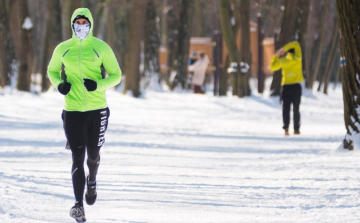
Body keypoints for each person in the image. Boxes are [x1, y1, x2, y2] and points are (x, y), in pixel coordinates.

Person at [47, 8, 121, 222]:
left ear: (90, 25)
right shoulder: (63, 49)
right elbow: (52, 71)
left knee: (93, 155)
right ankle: (78, 205)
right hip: (72, 111)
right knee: (77, 157)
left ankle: (93, 180)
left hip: (97, 110)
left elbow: (116, 75)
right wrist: (59, 85)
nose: (81, 27)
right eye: (77, 23)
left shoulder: (100, 48)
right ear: (72, 25)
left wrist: (98, 84)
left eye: (84, 23)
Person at [270, 41, 303, 136]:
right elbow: (296, 44)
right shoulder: (298, 58)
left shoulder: (283, 61)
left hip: (286, 87)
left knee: (286, 108)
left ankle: (286, 129)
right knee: (296, 108)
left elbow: (273, 67)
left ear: (288, 53)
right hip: (296, 87)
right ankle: (296, 129)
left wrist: (276, 55)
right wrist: (284, 48)